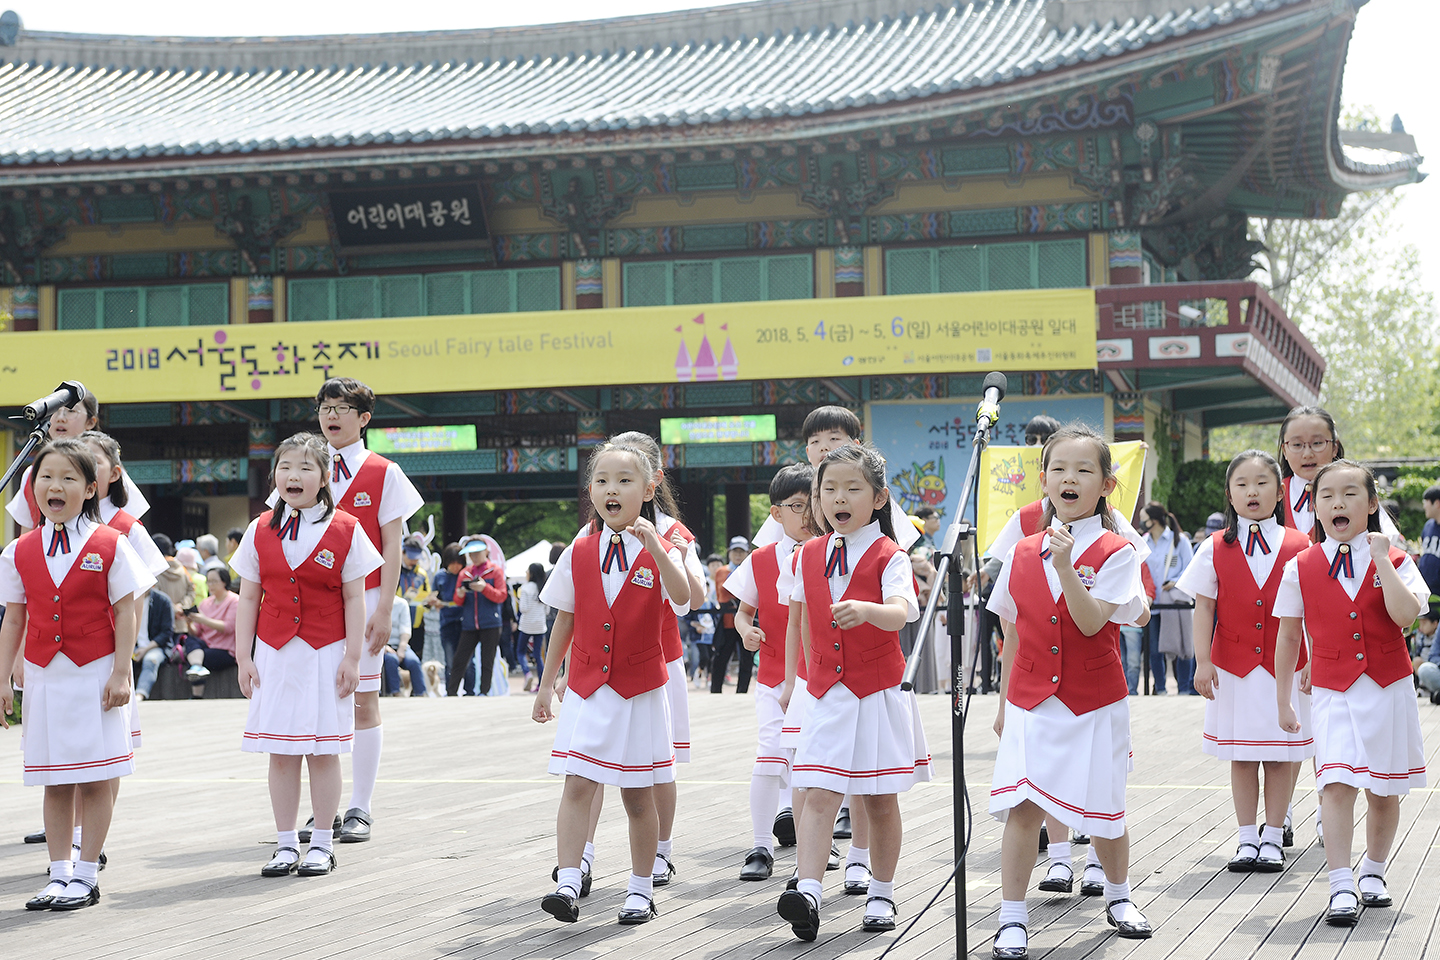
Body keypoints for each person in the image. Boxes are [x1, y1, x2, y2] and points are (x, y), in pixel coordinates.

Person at [986, 424, 1153, 958]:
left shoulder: (1117, 550)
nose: (1070, 478)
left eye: (1084, 470)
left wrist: (1064, 565)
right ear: (1043, 480)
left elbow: (1088, 623)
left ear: (1106, 484)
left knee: (1106, 807)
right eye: (1059, 469)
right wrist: (1004, 703)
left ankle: (1119, 895)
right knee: (1024, 806)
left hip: (1095, 699)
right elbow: (1011, 631)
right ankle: (1012, 917)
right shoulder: (1020, 551)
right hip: (1031, 698)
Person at [532, 436, 692, 926]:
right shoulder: (579, 547)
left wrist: (656, 548)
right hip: (584, 687)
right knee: (577, 785)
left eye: (624, 480)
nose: (611, 489)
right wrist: (546, 683)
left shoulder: (665, 544)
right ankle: (566, 880)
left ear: (648, 489)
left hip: (640, 689)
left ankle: (641, 888)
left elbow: (684, 598)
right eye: (601, 480)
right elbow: (565, 617)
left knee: (637, 794)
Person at [777, 443, 929, 941]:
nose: (838, 497)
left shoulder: (891, 555)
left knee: (879, 799)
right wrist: (798, 678)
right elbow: (799, 619)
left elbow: (904, 610)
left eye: (852, 488)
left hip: (877, 691)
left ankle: (882, 892)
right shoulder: (807, 554)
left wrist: (867, 610)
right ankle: (808, 890)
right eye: (829, 488)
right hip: (825, 693)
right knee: (819, 794)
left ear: (879, 497)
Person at [0, 438, 155, 911]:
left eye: (69, 478)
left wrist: (120, 672)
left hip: (95, 675)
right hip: (45, 677)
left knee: (94, 776)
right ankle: (58, 873)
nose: (56, 486)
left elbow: (125, 612)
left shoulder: (111, 543)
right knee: (54, 779)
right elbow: (13, 618)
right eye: (46, 477)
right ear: (33, 489)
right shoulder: (19, 550)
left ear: (90, 489)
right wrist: (3, 678)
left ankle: (86, 875)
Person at [1274, 460, 1427, 928]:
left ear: (1372, 503)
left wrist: (1383, 558)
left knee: (1384, 790)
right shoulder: (1301, 564)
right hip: (1333, 690)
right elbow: (1288, 634)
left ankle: (1374, 872)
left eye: (1349, 495)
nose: (1337, 503)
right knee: (1334, 784)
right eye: (1326, 496)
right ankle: (1340, 883)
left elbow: (1406, 618)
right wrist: (1282, 697)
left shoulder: (1398, 559)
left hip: (1388, 688)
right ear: (1313, 506)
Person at [230, 432, 383, 878]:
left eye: (305, 468)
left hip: (326, 653)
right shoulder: (260, 528)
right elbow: (247, 598)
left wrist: (353, 658)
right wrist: (244, 656)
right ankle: (283, 843)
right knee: (281, 751)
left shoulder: (347, 529)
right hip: (275, 654)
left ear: (325, 476)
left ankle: (320, 843)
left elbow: (356, 599)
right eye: (284, 468)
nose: (293, 476)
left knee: (323, 750)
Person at [1179, 450, 1313, 875]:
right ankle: (1245, 838)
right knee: (1241, 756)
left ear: (1279, 493)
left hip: (1284, 668)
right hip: (1232, 667)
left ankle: (1273, 837)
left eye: (1262, 483)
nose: (1252, 491)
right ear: (1229, 495)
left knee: (1278, 755)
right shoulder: (1214, 546)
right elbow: (1203, 608)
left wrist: (1313, 661)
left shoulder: (1301, 544)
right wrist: (1203, 661)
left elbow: (1313, 609)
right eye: (1242, 484)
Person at [308, 377, 424, 843]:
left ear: (364, 418)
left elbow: (393, 544)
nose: (330, 416)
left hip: (369, 599)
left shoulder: (383, 472)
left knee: (363, 701)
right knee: (320, 706)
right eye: (324, 407)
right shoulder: (305, 467)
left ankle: (361, 807)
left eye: (340, 408)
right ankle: (324, 811)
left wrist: (385, 609)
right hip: (315, 605)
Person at [727, 463, 816, 880]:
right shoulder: (760, 561)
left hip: (821, 679)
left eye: (811, 503)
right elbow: (743, 614)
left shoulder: (832, 552)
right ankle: (761, 846)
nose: (808, 514)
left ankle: (814, 848)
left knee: (810, 764)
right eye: (797, 506)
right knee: (769, 758)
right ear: (776, 513)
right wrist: (748, 631)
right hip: (774, 676)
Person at [4, 385, 150, 536]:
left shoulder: (104, 469)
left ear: (90, 422)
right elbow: (27, 530)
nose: (61, 418)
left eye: (71, 411)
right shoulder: (33, 473)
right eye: (56, 411)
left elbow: (128, 526)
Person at [1141, 502, 1194, 694]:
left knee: (1181, 646)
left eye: (1144, 518)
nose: (1141, 522)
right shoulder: (1143, 542)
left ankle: (1184, 689)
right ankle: (1161, 689)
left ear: (1153, 520)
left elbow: (1191, 569)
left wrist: (1175, 581)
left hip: (1175, 602)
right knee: (1155, 650)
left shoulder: (1179, 540)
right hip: (1153, 604)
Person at [452, 535, 508, 697]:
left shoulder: (495, 571)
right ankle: (451, 692)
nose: (473, 557)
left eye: (477, 553)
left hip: (490, 622)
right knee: (460, 659)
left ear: (486, 551)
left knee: (487, 660)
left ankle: (484, 692)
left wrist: (484, 588)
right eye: (471, 554)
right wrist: (461, 593)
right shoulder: (465, 573)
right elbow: (457, 601)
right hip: (469, 624)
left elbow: (502, 596)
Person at [710, 536, 754, 694]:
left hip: (747, 620)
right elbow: (723, 593)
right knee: (721, 656)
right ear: (729, 553)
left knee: (746, 657)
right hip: (728, 620)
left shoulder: (752, 569)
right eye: (735, 551)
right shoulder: (722, 571)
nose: (738, 555)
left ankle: (742, 690)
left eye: (741, 552)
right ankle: (715, 690)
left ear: (747, 553)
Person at [182, 567, 239, 683]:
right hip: (206, 644)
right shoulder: (205, 603)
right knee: (190, 641)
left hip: (225, 649)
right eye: (208, 581)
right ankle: (197, 667)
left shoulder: (234, 601)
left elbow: (228, 627)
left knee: (196, 656)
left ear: (224, 581)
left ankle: (197, 679)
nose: (210, 585)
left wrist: (204, 620)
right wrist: (188, 623)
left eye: (214, 581)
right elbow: (196, 632)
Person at [428, 543, 470, 695]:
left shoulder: (466, 574)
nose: (456, 566)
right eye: (452, 563)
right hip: (447, 622)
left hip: (466, 622)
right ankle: (450, 691)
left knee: (468, 660)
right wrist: (431, 600)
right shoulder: (440, 576)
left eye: (459, 562)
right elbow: (433, 595)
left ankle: (470, 690)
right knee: (450, 659)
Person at [132, 586, 176, 701]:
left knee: (150, 660)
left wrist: (145, 649)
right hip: (133, 645)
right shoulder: (127, 600)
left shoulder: (163, 600)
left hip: (156, 647)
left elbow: (167, 632)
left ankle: (140, 694)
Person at [383, 592, 425, 696]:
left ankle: (421, 693)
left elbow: (405, 628)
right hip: (384, 646)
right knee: (391, 660)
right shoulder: (375, 602)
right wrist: (384, 646)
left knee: (414, 661)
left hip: (400, 644)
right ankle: (396, 692)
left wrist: (402, 648)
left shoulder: (401, 603)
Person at [517, 563, 549, 692]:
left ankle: (527, 673)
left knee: (520, 651)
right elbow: (547, 610)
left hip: (526, 625)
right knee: (538, 654)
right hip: (540, 625)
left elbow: (523, 608)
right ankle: (541, 684)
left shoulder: (526, 588)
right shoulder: (543, 588)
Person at [398, 535, 431, 661]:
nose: (413, 561)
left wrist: (429, 602)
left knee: (417, 659)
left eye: (416, 559)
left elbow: (427, 596)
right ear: (403, 552)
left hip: (417, 625)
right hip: (397, 625)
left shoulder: (422, 574)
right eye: (411, 558)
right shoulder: (395, 571)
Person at [1411, 605, 1440, 702]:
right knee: (1424, 669)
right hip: (1436, 667)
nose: (1421, 627)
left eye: (1424, 623)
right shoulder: (1420, 637)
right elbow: (1433, 655)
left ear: (1434, 623)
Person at [1418, 487, 1440, 598]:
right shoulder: (1428, 526)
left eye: (1425, 502)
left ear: (1436, 503)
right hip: (1426, 591)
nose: (1424, 506)